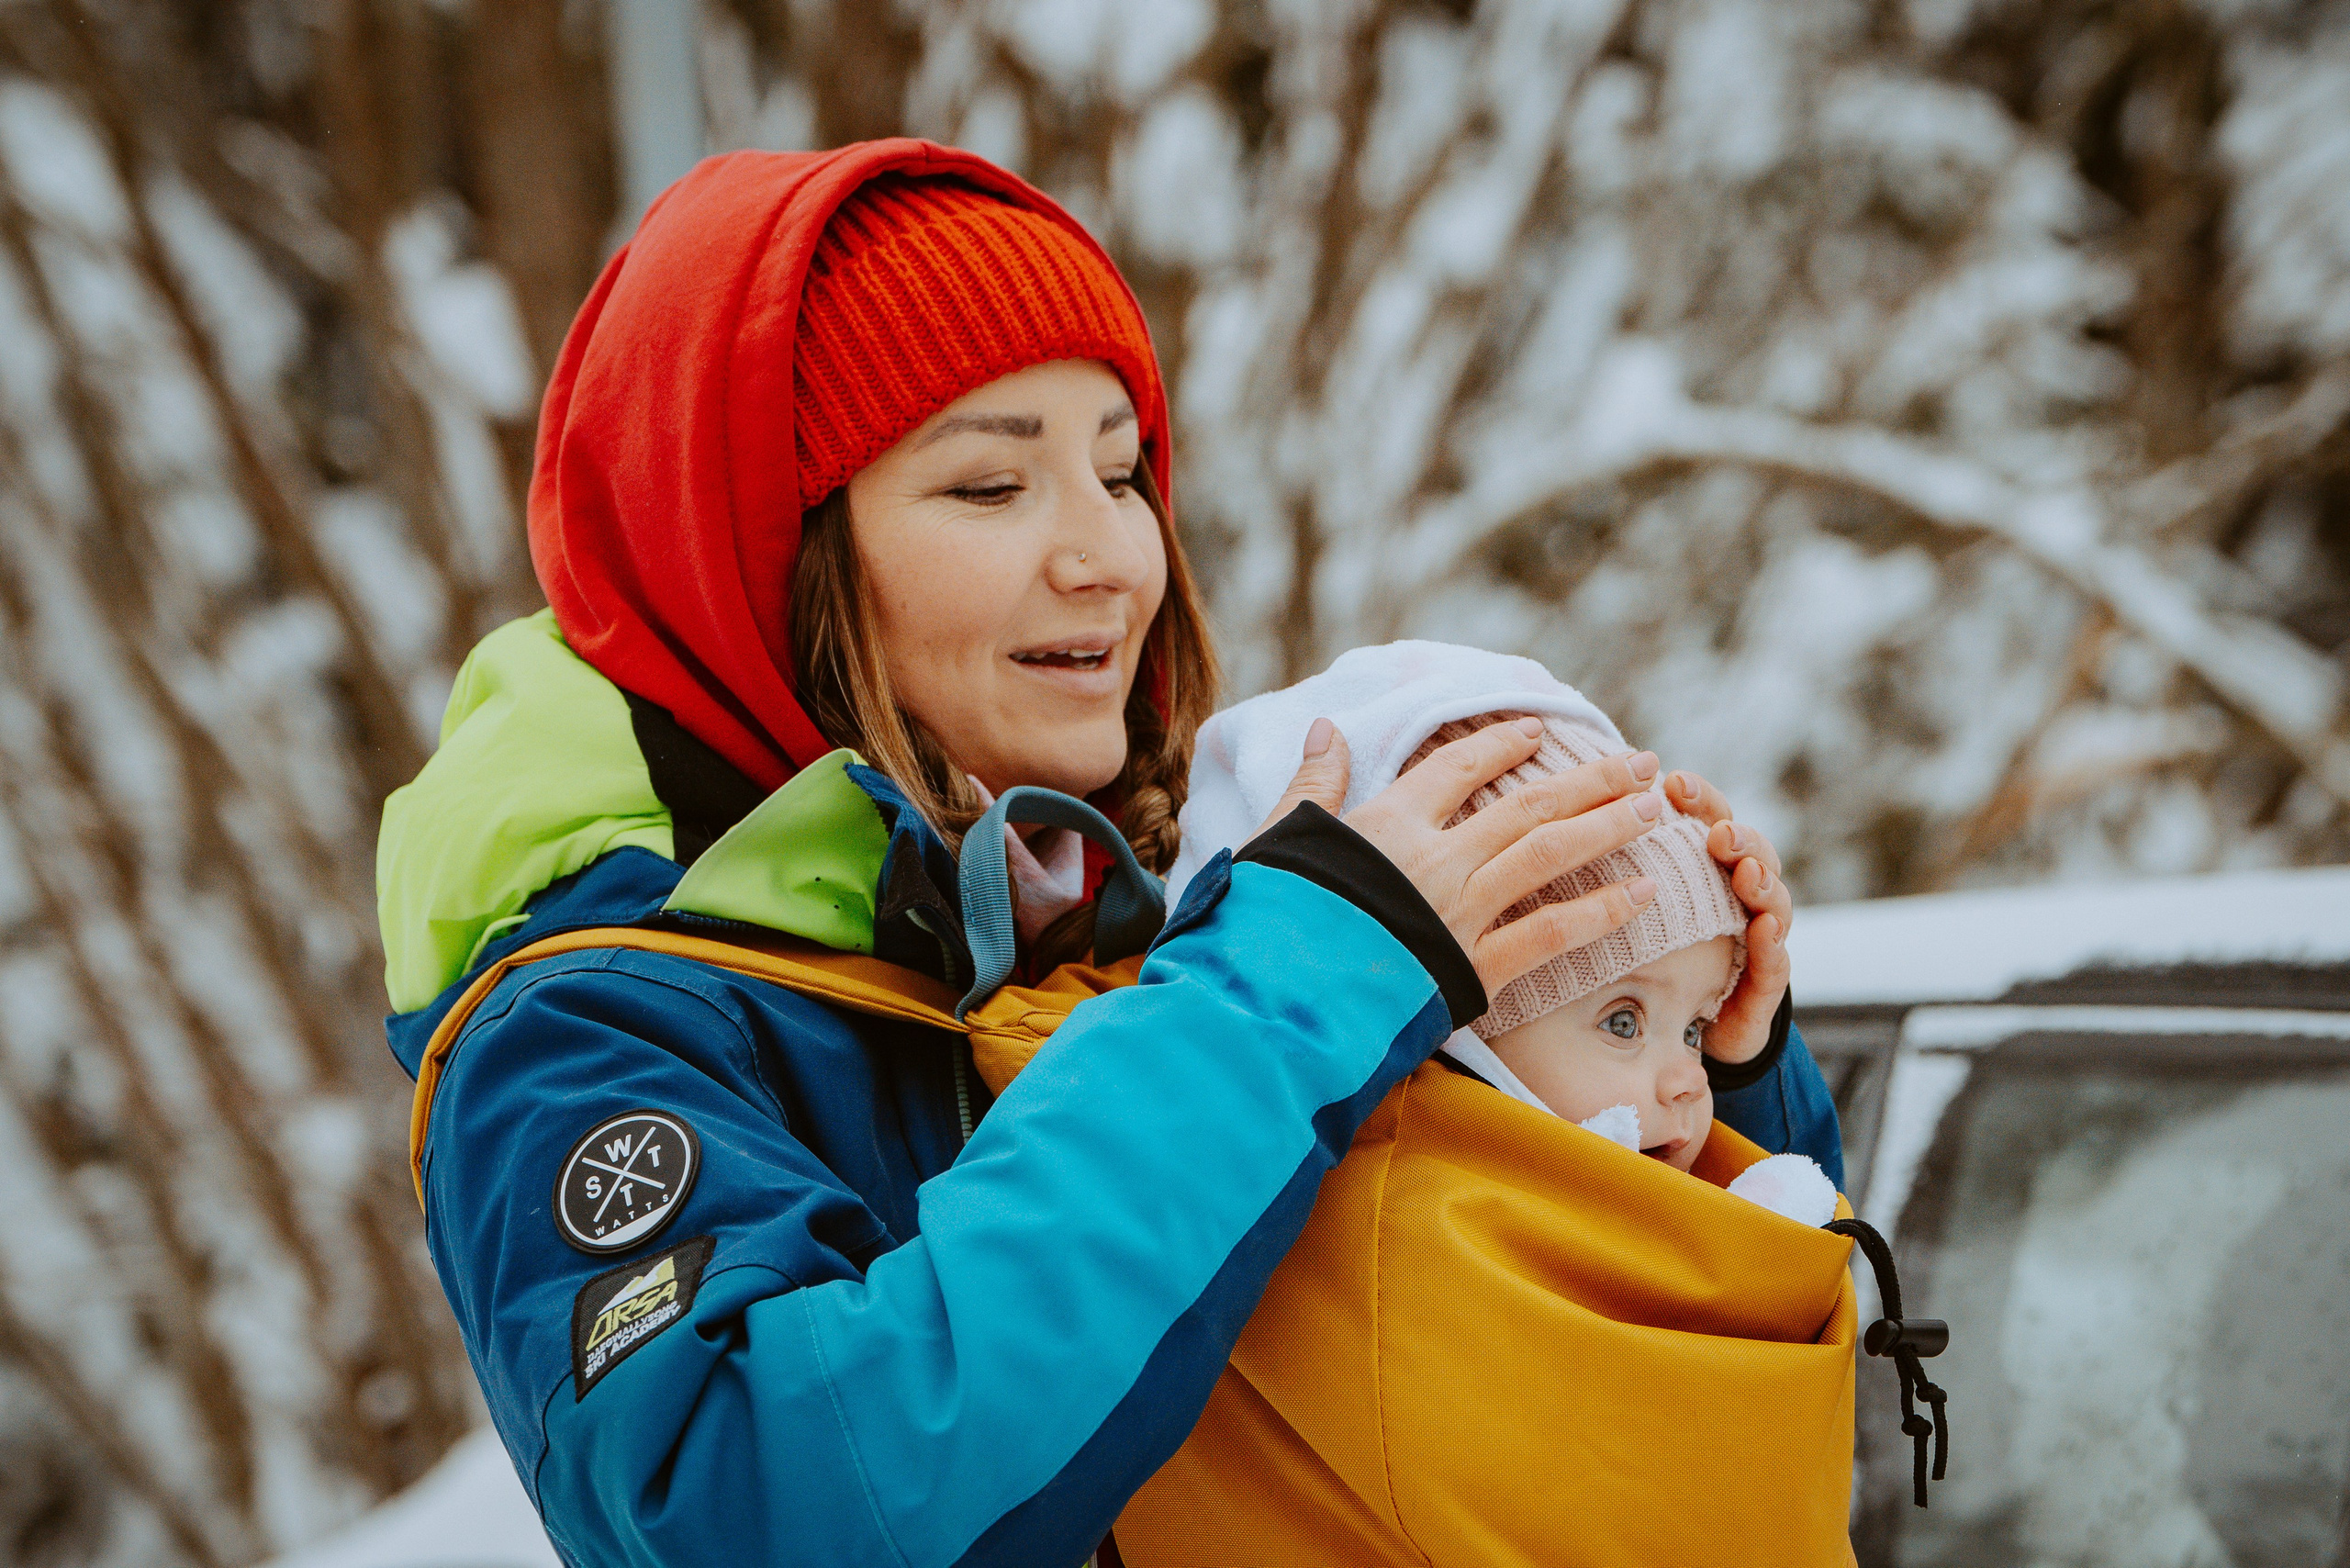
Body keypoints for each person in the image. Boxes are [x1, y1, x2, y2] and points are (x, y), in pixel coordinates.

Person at [375, 140, 1832, 1568]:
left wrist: (1696, 1057)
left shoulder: (1136, 912)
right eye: (990, 489)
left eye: (1122, 472)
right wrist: (1276, 1001)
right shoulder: (586, 1036)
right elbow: (763, 1507)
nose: (1112, 558)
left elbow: (1548, 1403)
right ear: (763, 549)